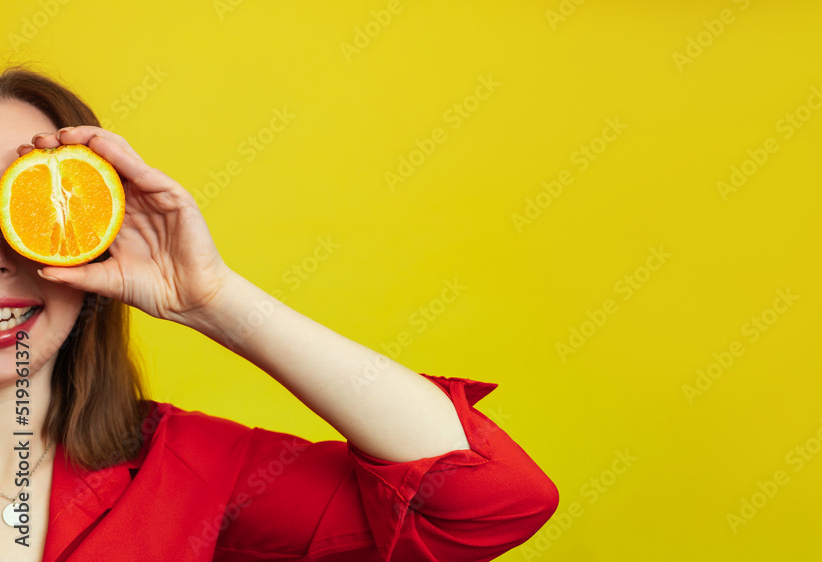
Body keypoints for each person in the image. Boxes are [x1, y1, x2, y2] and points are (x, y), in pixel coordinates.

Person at [0, 66, 558, 561]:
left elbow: (485, 505)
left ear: (89, 238)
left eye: (19, 209)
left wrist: (213, 299)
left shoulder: (184, 474)